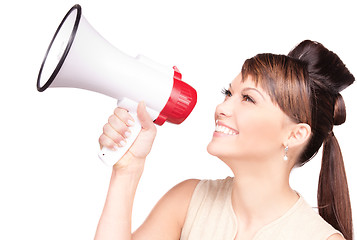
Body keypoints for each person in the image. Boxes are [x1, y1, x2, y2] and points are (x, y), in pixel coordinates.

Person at [94, 40, 354, 240]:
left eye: (248, 98)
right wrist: (127, 171)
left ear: (295, 134)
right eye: (228, 93)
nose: (222, 108)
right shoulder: (188, 201)